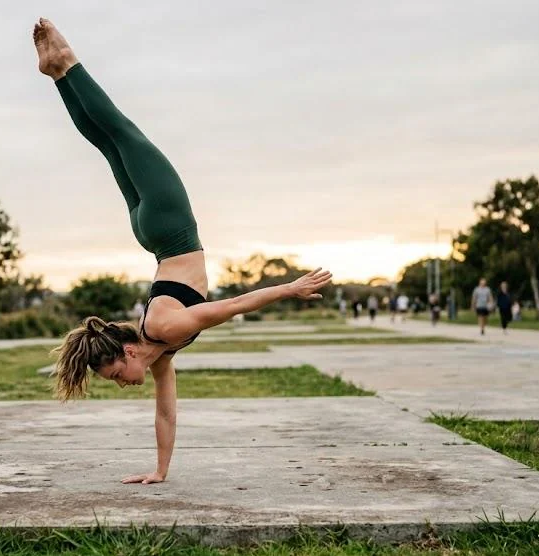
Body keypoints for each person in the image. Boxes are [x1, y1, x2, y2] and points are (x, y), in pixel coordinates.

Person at [34, 19, 333, 485]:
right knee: (109, 142)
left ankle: (67, 63)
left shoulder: (167, 327)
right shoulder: (164, 351)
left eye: (115, 373)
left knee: (122, 134)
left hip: (171, 228)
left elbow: (234, 306)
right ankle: (57, 73)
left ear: (130, 350)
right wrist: (160, 471)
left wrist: (287, 289)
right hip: (152, 233)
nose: (121, 382)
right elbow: (167, 415)